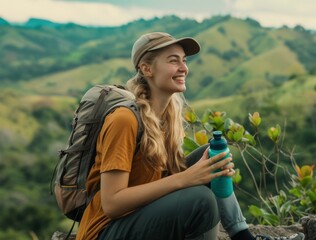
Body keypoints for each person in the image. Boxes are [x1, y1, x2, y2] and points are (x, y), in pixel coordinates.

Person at [76, 32, 303, 240]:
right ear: (147, 69)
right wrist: (186, 179)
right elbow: (112, 203)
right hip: (106, 231)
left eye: (184, 60)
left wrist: (205, 171)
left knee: (212, 157)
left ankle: (243, 236)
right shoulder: (124, 119)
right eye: (173, 60)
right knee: (200, 201)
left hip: (142, 217)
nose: (183, 67)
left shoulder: (166, 117)